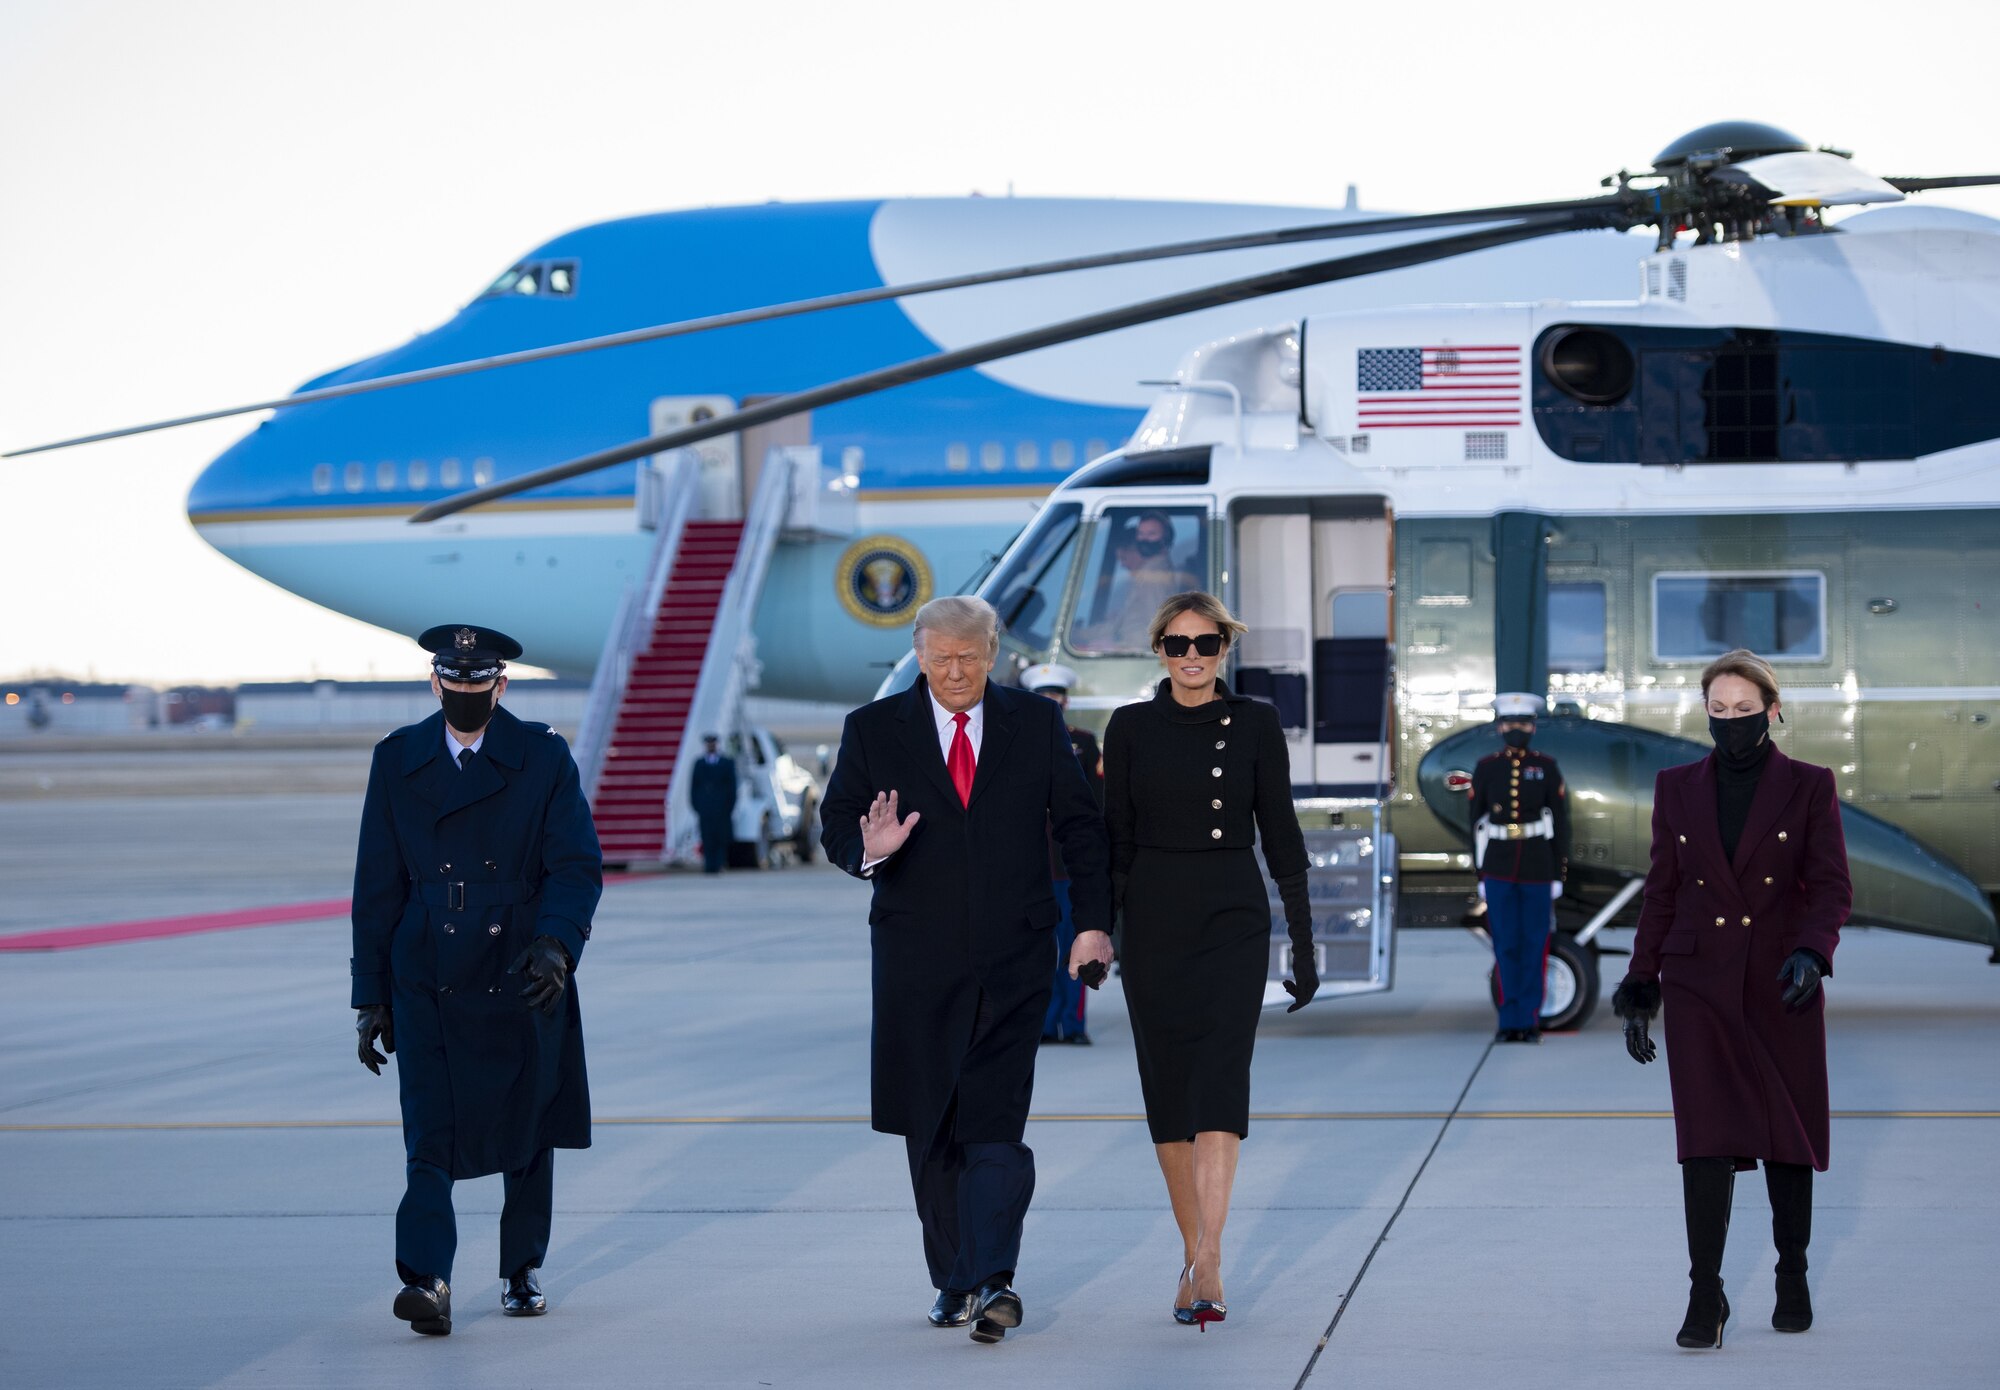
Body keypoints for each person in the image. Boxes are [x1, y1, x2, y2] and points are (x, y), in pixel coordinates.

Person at [820, 597, 1110, 1345]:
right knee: (933, 1127)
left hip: (1014, 959)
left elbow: (1079, 825)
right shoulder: (873, 729)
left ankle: (994, 1281)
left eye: (969, 658)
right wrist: (873, 848)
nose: (955, 673)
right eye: (941, 657)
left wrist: (1094, 924)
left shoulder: (1034, 724)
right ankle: (956, 1275)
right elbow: (835, 829)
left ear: (994, 653)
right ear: (918, 653)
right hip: (916, 962)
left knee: (995, 1124)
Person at [350, 624, 603, 1336]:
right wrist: (370, 995)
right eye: (452, 683)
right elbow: (376, 883)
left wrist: (557, 944)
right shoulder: (397, 759)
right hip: (426, 969)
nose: (465, 694)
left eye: (477, 684)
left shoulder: (544, 757)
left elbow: (575, 865)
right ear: (435, 684)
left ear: (500, 685)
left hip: (520, 963)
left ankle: (521, 1269)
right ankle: (426, 1279)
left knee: (527, 1127)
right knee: (429, 1132)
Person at [1611, 648, 1850, 1350]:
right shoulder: (1676, 787)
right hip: (1699, 983)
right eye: (1720, 711)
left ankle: (1793, 1273)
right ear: (1706, 713)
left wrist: (1813, 950)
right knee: (1705, 1141)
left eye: (1746, 711)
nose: (1733, 722)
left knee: (1788, 1138)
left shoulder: (1809, 786)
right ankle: (1705, 1296)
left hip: (1781, 982)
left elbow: (1831, 884)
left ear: (1772, 711)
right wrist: (1640, 984)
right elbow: (1663, 891)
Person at [1098, 591, 1317, 1331]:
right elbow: (1114, 842)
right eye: (1177, 643)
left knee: (1221, 1077)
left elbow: (1281, 833)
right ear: (1157, 649)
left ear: (1227, 646)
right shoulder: (1127, 727)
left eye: (1207, 642)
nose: (1192, 656)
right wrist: (1100, 931)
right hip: (1154, 917)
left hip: (1232, 912)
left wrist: (1306, 942)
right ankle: (1192, 1250)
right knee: (1169, 1092)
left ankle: (1212, 1258)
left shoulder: (1255, 722)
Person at [1469, 692, 1570, 1042]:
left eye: (1523, 723)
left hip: (1537, 866)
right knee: (1506, 946)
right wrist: (1479, 875)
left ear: (1533, 726)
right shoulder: (1486, 768)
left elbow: (1561, 824)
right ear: (1500, 727)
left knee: (1534, 945)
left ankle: (1528, 1021)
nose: (1516, 729)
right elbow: (1475, 823)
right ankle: (1507, 1021)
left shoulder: (1546, 767)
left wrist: (1559, 874)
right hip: (1497, 865)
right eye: (1510, 723)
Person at [1022, 662, 1102, 1045]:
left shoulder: (1083, 743)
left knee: (1078, 945)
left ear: (1066, 700)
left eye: (1055, 696)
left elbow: (1096, 804)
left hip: (1070, 865)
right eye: (1043, 697)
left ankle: (1072, 1025)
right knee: (1040, 952)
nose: (1051, 702)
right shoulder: (1015, 741)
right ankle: (1043, 1024)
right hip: (1032, 866)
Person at [689, 732, 738, 874]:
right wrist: (697, 806)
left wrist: (729, 806)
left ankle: (718, 863)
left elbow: (732, 787)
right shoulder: (699, 763)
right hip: (706, 808)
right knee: (707, 837)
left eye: (713, 743)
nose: (711, 746)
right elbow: (694, 787)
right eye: (709, 743)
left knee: (721, 837)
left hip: (721, 808)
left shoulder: (726, 763)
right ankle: (708, 864)